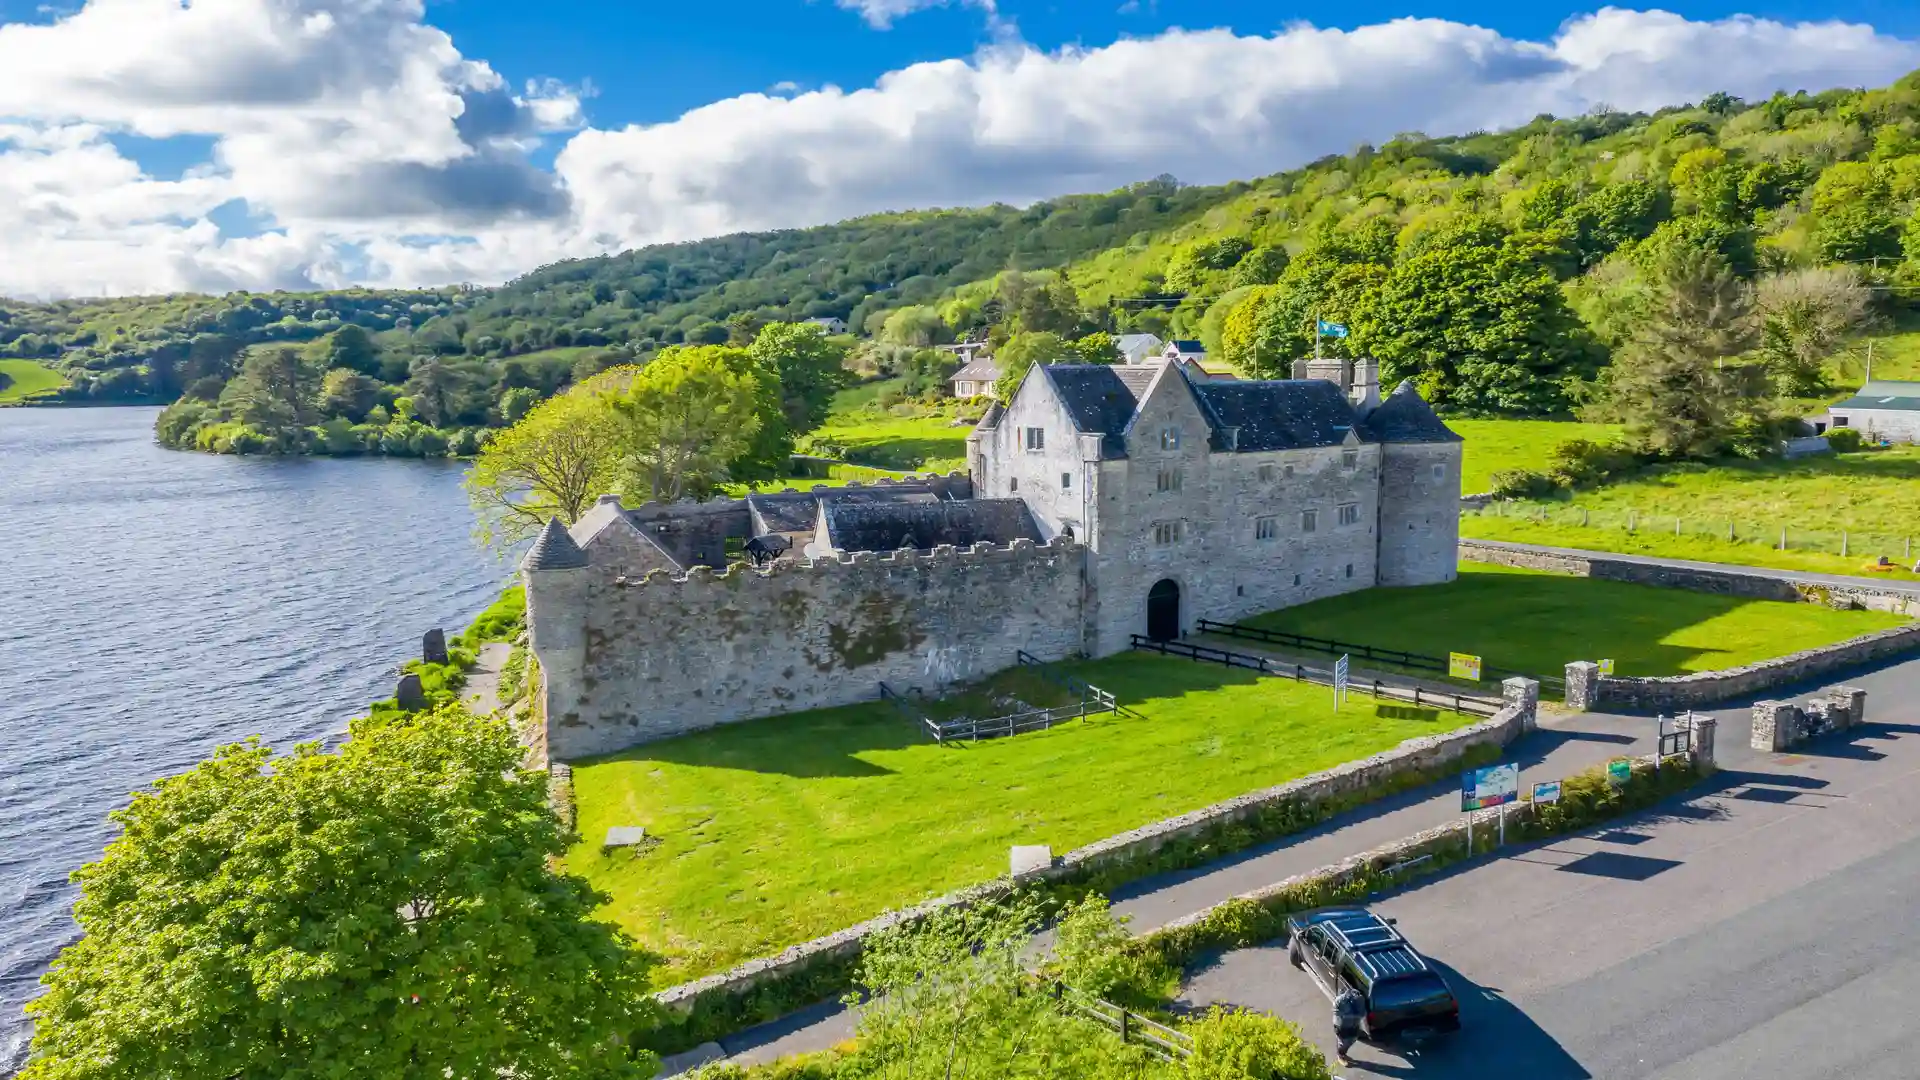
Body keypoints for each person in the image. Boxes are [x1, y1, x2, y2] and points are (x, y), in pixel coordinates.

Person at [1333, 982, 1365, 1065]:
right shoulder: (1339, 1002)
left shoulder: (1355, 1000)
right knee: (1343, 1043)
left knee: (1352, 1040)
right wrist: (1346, 996)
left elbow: (1361, 1014)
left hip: (1353, 1026)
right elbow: (1339, 1012)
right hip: (1342, 1027)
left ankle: (1343, 1054)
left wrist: (1359, 1000)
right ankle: (1340, 1056)